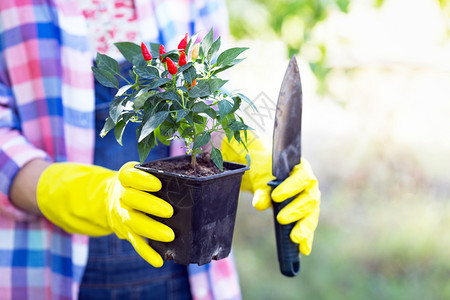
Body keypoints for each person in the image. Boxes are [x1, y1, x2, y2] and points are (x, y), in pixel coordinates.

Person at [0, 0, 320, 299]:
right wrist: (94, 195)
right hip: (50, 270)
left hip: (187, 273)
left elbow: (205, 107)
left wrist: (254, 160)